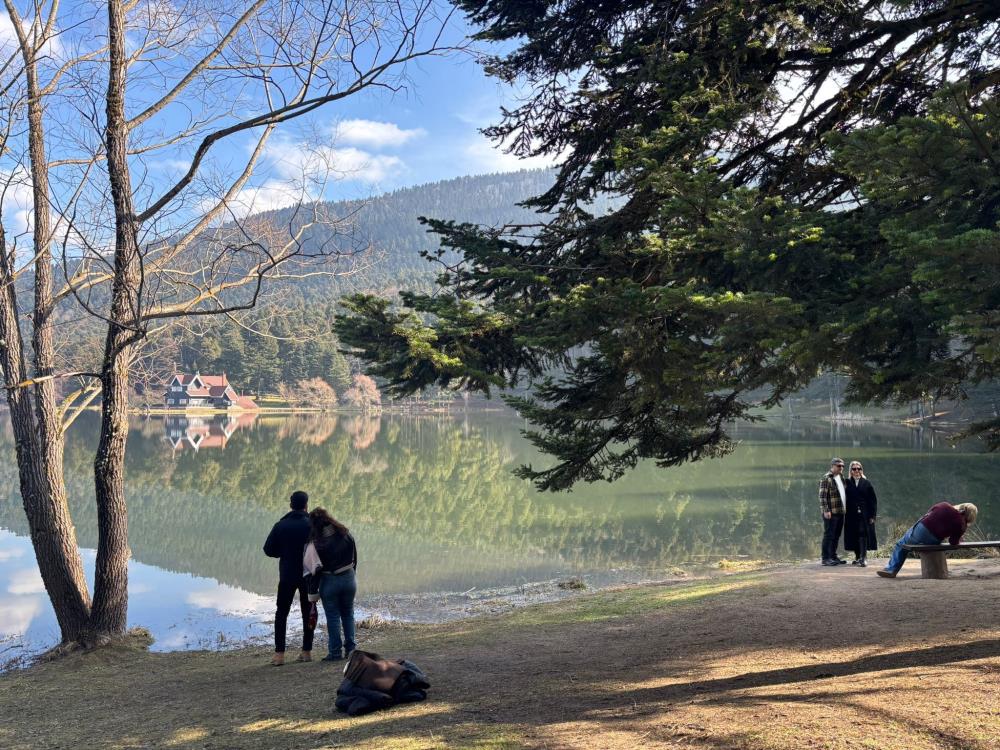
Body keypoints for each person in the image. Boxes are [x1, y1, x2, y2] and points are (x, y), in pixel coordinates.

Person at [263, 490, 315, 666]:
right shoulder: (311, 525)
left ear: (291, 505)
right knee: (307, 612)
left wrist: (283, 552)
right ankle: (306, 651)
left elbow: (268, 550)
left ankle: (279, 655)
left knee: (281, 613)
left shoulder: (281, 525)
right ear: (306, 505)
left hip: (287, 575)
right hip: (308, 575)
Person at [304, 507, 358, 662]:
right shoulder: (345, 533)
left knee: (333, 617)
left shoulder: (314, 544)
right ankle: (351, 650)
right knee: (348, 614)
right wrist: (353, 575)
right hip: (349, 577)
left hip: (329, 581)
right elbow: (355, 558)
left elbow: (312, 572)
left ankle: (335, 653)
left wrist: (312, 594)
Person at [877, 502, 979, 578]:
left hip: (921, 530)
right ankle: (892, 569)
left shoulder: (944, 505)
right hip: (934, 540)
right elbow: (953, 542)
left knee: (901, 544)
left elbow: (929, 513)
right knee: (913, 540)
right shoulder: (962, 525)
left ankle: (891, 570)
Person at [843, 461, 877, 566]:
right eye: (854, 469)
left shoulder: (866, 483)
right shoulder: (847, 483)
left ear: (861, 470)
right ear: (851, 471)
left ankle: (863, 558)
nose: (857, 470)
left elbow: (873, 501)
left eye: (859, 468)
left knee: (863, 532)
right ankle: (857, 557)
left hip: (865, 513)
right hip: (851, 514)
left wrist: (872, 515)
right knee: (854, 533)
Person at [819, 458, 848, 566]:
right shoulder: (826, 478)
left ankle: (833, 556)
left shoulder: (841, 477)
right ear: (832, 466)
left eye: (842, 466)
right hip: (831, 512)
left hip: (841, 512)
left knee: (836, 535)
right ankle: (825, 558)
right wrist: (826, 510)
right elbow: (822, 497)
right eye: (839, 466)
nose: (841, 468)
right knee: (829, 535)